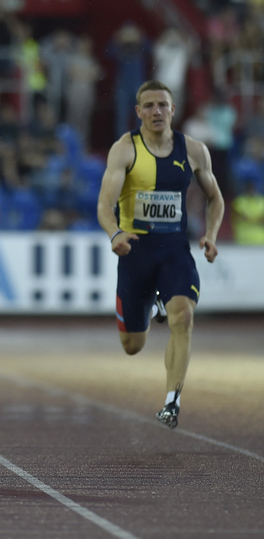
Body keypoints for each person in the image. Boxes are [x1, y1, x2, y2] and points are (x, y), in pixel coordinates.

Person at [97, 80, 224, 430]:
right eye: (149, 105)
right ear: (138, 111)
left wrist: (211, 235)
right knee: (132, 345)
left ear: (173, 109)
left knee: (182, 317)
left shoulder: (195, 151)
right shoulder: (125, 150)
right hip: (136, 254)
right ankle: (152, 305)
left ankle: (172, 400)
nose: (156, 111)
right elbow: (104, 205)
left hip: (174, 252)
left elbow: (215, 197)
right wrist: (115, 233)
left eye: (163, 105)